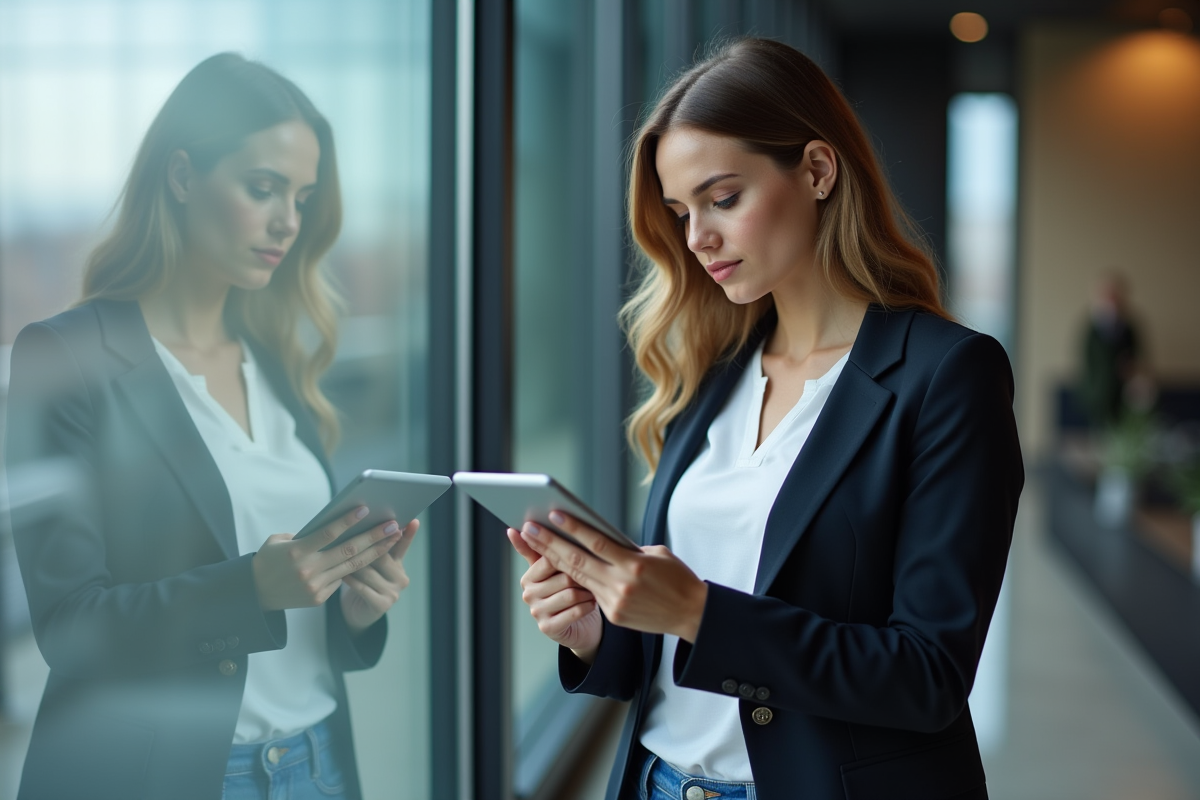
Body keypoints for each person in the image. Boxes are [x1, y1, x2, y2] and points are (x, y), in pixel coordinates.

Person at [508, 38, 1023, 800]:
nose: (696, 238)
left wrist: (696, 611)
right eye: (682, 212)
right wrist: (599, 634)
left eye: (723, 199)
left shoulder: (945, 375)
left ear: (817, 170)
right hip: (656, 782)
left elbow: (927, 676)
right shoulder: (715, 368)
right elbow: (682, 643)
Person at [4, 53, 416, 800]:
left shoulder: (274, 355)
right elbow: (69, 627)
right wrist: (250, 587)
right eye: (262, 189)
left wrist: (351, 605)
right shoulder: (63, 356)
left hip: (316, 764)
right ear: (183, 176)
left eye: (302, 196)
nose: (288, 221)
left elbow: (294, 620)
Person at [1079, 272, 1143, 429]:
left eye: (1114, 295)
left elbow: (1136, 358)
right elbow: (1089, 365)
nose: (1111, 301)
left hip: (1124, 399)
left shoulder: (1128, 329)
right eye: (1106, 296)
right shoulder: (1093, 330)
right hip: (1097, 400)